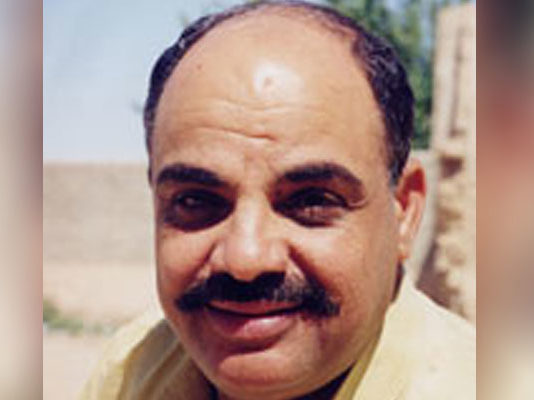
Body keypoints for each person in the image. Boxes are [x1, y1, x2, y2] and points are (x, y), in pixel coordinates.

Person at [80, 1, 475, 399]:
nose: (245, 259)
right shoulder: (131, 373)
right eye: (196, 202)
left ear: (403, 210)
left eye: (312, 201)